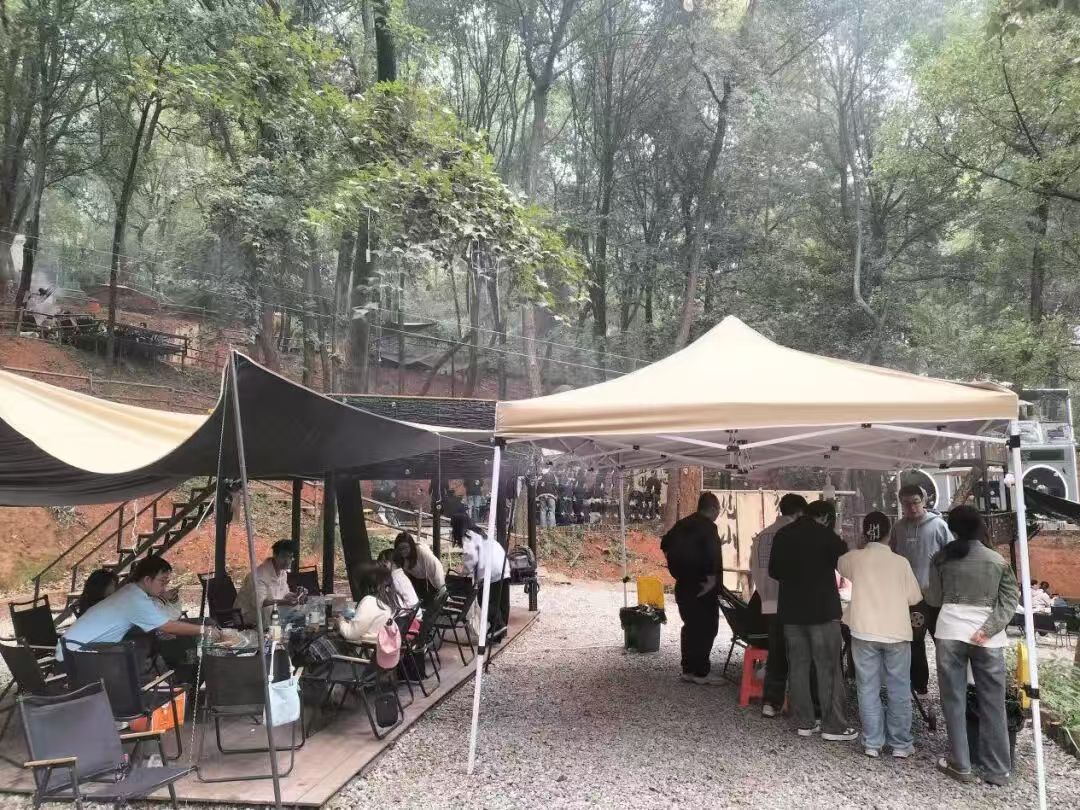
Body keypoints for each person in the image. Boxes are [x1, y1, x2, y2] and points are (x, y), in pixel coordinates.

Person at [925, 505, 1019, 786]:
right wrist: (988, 629)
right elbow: (1009, 601)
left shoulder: (940, 558)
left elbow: (933, 599)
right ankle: (998, 770)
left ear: (952, 529)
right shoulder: (997, 560)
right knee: (993, 702)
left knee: (953, 699)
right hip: (988, 639)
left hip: (950, 631)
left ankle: (961, 764)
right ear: (980, 526)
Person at [769, 499, 856, 741]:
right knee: (828, 668)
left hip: (791, 613)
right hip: (822, 613)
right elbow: (844, 562)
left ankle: (804, 722)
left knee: (798, 667)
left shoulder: (783, 534)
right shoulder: (827, 536)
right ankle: (833, 726)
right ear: (827, 518)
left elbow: (773, 571)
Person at [838, 512, 923, 758]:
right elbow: (914, 597)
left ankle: (873, 743)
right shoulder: (901, 562)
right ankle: (900, 744)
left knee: (867, 687)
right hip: (896, 632)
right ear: (890, 534)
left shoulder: (852, 559)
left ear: (864, 533)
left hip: (863, 630)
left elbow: (841, 569)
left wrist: (860, 546)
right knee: (899, 688)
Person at [60, 556, 218, 659]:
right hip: (86, 657)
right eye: (162, 581)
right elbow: (167, 626)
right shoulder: (132, 598)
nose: (164, 587)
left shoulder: (131, 594)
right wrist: (204, 630)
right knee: (173, 645)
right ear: (148, 580)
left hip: (85, 652)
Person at [889, 483, 952, 695]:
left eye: (915, 502)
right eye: (906, 504)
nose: (912, 508)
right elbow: (893, 556)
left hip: (936, 594)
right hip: (910, 597)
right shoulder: (898, 528)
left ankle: (949, 685)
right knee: (914, 642)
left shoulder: (938, 525)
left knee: (942, 641)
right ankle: (920, 684)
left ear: (923, 501)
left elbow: (951, 555)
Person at [749, 493, 808, 717]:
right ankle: (800, 704)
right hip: (793, 603)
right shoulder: (796, 535)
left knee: (776, 653)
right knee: (800, 654)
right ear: (800, 513)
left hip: (769, 602)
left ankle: (771, 703)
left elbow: (754, 569)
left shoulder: (761, 536)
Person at [661, 492, 724, 685]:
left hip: (683, 584)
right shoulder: (709, 528)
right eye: (718, 510)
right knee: (706, 627)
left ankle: (688, 669)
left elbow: (664, 544)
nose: (718, 514)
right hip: (703, 586)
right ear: (713, 509)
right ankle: (701, 672)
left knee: (690, 626)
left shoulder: (682, 524)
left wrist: (676, 567)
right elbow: (713, 556)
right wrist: (712, 581)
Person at [452, 511, 509, 640]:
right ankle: (500, 629)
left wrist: (464, 571)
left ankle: (498, 626)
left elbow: (471, 557)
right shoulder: (479, 532)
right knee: (501, 599)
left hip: (491, 569)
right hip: (502, 564)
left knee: (485, 600)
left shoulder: (468, 535)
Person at [235, 539, 303, 626]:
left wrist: (297, 595)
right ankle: (273, 632)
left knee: (298, 607)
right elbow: (259, 603)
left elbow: (284, 595)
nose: (287, 561)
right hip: (246, 616)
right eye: (283, 557)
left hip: (269, 614)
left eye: (290, 557)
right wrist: (285, 602)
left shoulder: (283, 573)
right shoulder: (260, 575)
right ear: (275, 555)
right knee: (270, 609)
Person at [339, 562, 400, 643]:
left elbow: (350, 634)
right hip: (379, 644)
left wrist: (340, 621)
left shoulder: (370, 601)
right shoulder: (389, 600)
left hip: (365, 647)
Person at [393, 531, 445, 601]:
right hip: (415, 581)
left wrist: (441, 590)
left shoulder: (422, 552)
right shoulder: (398, 556)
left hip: (430, 580)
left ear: (411, 546)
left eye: (405, 548)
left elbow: (436, 570)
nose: (402, 551)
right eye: (400, 549)